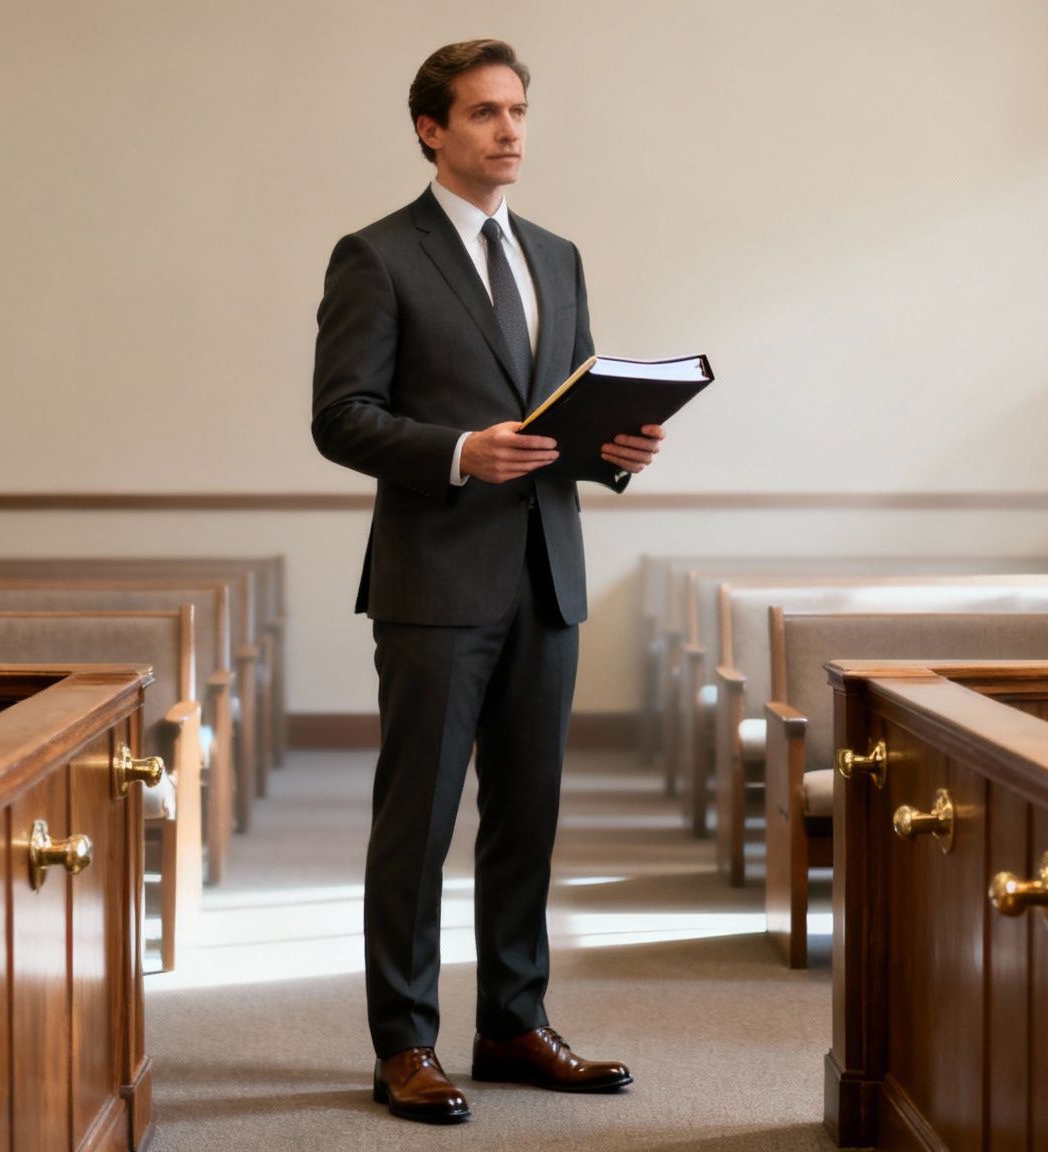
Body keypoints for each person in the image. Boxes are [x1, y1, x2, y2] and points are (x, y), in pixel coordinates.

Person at [310, 38, 666, 1125]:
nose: (508, 131)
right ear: (431, 129)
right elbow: (340, 419)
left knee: (527, 814)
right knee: (415, 820)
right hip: (433, 580)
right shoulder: (375, 256)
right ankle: (402, 1042)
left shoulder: (555, 255)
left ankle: (513, 1021)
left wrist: (617, 449)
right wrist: (458, 451)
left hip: (545, 575)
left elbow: (571, 404)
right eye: (483, 114)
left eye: (516, 111)